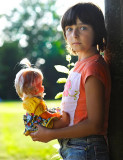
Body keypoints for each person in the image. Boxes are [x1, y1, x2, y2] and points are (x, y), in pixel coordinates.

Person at [30, 2, 111, 160]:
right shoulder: (79, 67)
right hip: (75, 146)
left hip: (86, 147)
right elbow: (77, 111)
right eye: (69, 28)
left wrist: (51, 134)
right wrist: (51, 115)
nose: (74, 34)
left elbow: (95, 124)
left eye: (83, 27)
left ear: (97, 30)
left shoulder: (92, 68)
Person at [14, 58, 70, 136]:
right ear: (31, 89)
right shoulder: (35, 102)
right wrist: (55, 115)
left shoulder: (30, 99)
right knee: (62, 122)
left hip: (38, 119)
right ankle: (64, 123)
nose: (43, 87)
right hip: (40, 124)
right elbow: (44, 115)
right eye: (39, 85)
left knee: (56, 110)